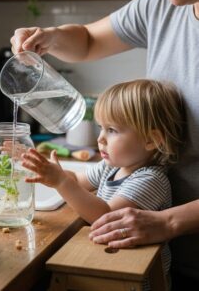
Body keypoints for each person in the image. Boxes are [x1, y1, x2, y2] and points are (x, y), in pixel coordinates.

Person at [10, 0, 199, 288]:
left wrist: (169, 222)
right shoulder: (161, 3)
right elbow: (87, 40)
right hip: (156, 252)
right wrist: (47, 38)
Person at [21, 79, 185, 289]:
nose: (101, 139)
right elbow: (79, 181)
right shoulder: (113, 166)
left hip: (133, 280)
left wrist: (60, 181)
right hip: (108, 262)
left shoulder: (151, 179)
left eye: (112, 130)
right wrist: (46, 170)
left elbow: (104, 216)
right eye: (101, 128)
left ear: (151, 140)